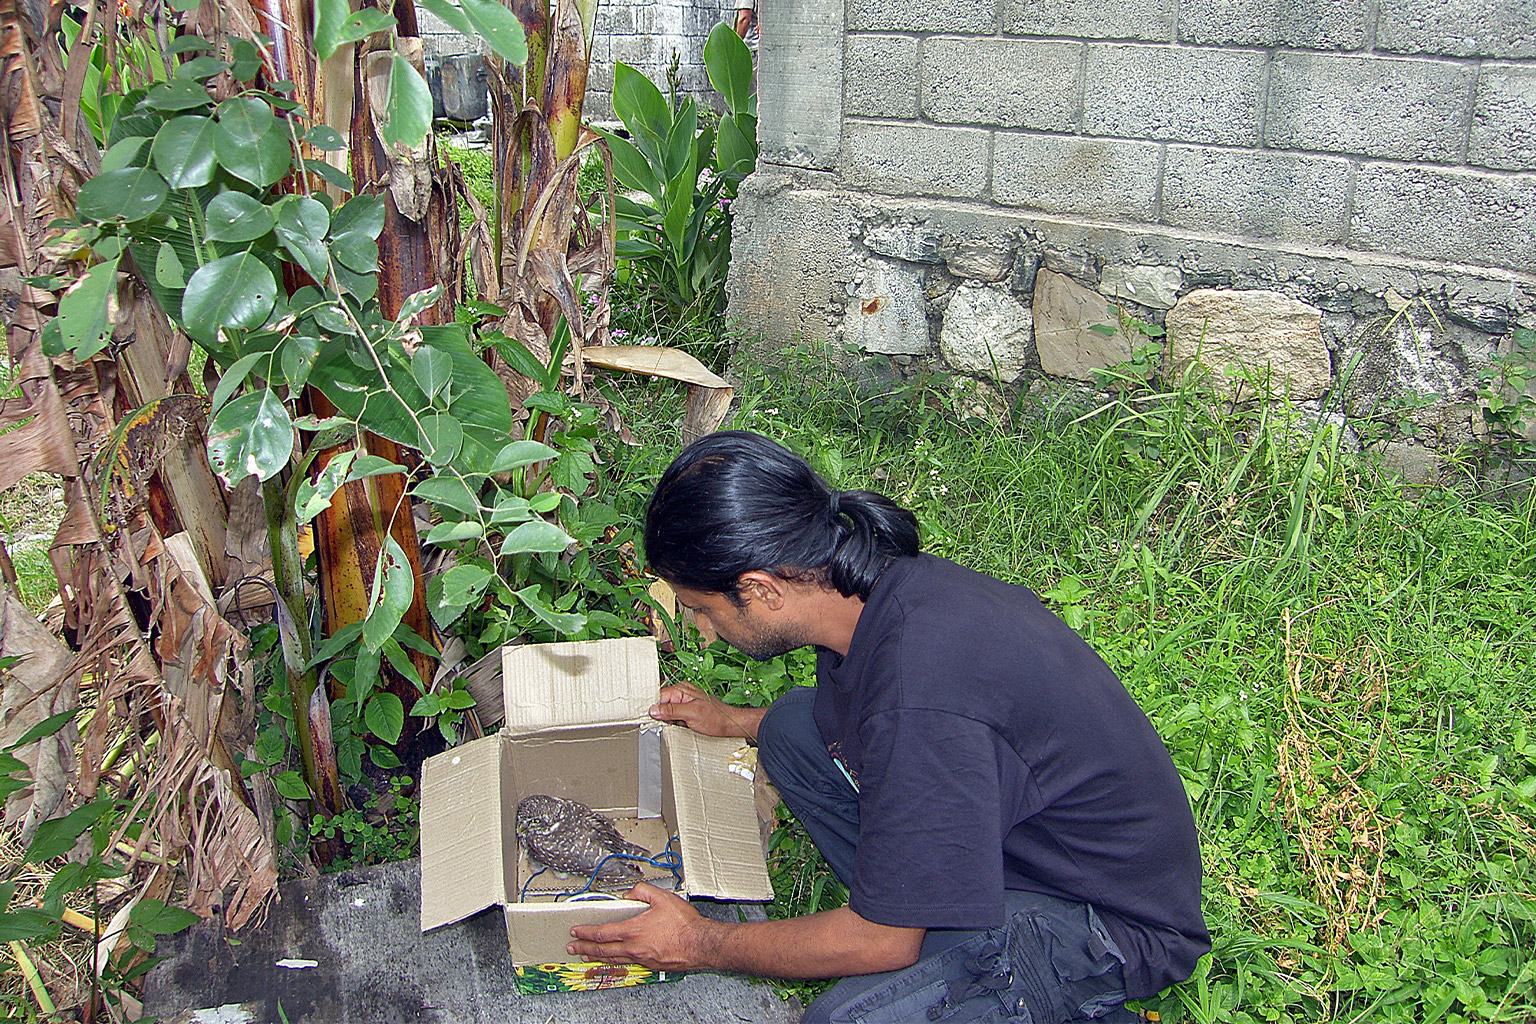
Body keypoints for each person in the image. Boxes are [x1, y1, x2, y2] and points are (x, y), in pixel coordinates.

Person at [567, 431, 1210, 1022]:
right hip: (1003, 839)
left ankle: (1055, 995)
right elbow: (895, 728)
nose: (703, 634)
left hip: (1100, 923)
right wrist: (735, 720)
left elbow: (881, 941)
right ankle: (939, 921)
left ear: (760, 588)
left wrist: (699, 942)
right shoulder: (876, 592)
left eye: (702, 610)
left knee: (841, 1017)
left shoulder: (922, 698)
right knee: (791, 725)